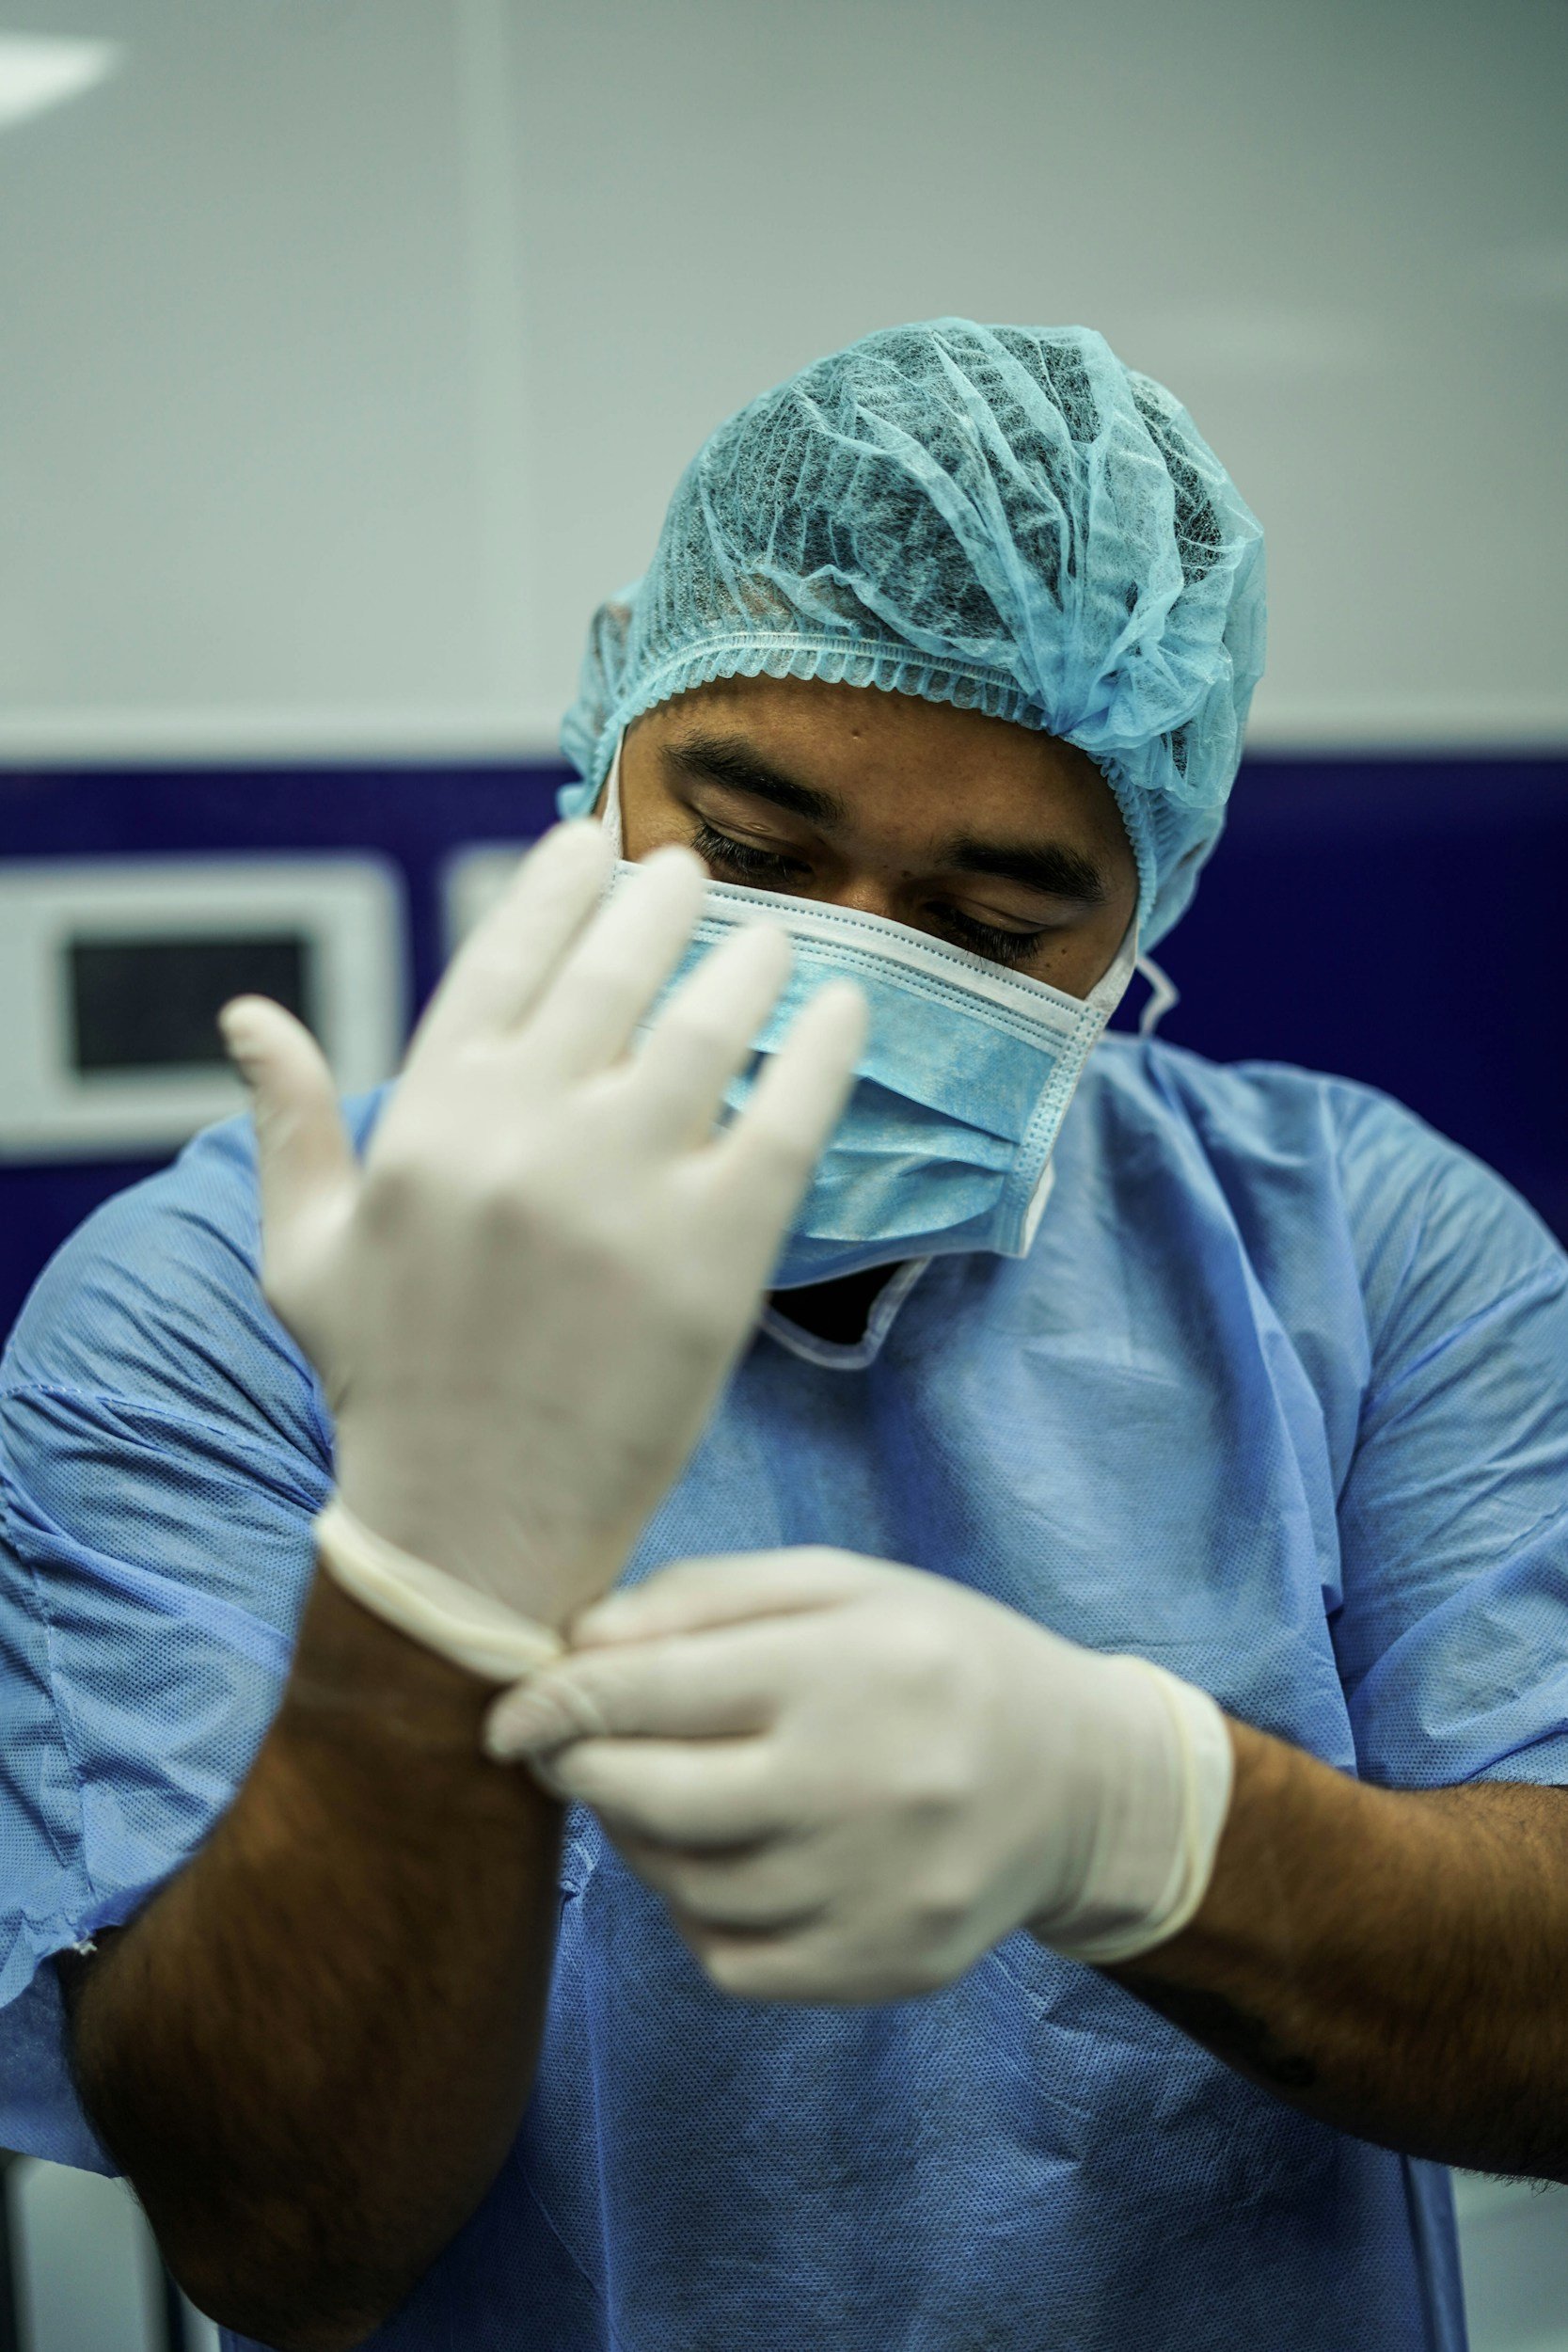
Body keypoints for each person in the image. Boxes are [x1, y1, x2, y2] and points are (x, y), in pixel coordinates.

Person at [2, 320, 1566, 2352]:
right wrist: (429, 1587)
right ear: (605, 745)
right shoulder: (226, 1303)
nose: (844, 974)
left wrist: (1147, 1815)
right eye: (748, 854)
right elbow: (279, 2231)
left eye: (990, 934)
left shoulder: (1372, 1252)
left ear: (1142, 901)